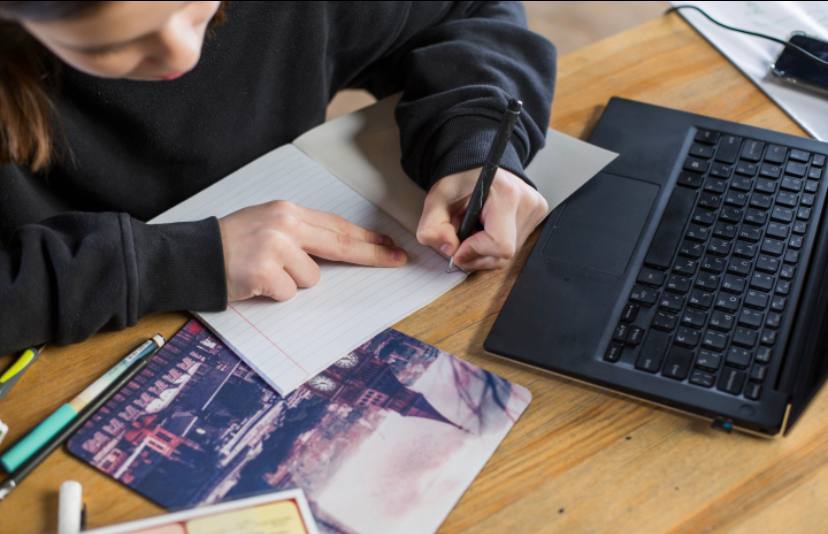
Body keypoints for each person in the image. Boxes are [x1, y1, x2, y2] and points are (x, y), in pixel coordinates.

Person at [0, 1, 556, 354]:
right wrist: (170, 262)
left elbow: (469, 11)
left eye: (194, 7)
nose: (184, 53)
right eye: (108, 44)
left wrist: (474, 137)